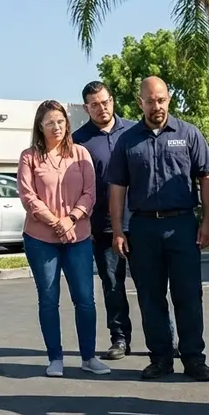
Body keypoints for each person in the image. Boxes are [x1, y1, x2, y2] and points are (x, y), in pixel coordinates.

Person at [107, 77, 209, 381]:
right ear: (139, 102)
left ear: (168, 99)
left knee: (188, 295)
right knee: (150, 296)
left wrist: (208, 222)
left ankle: (194, 358)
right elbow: (117, 188)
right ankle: (160, 358)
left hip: (182, 224)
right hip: (142, 228)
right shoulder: (127, 141)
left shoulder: (189, 134)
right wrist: (118, 230)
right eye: (150, 101)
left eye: (161, 100)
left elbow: (206, 179)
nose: (156, 106)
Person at [17, 101, 110, 377]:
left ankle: (88, 356)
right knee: (48, 298)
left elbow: (90, 193)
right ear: (40, 127)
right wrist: (55, 222)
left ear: (67, 124)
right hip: (40, 238)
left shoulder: (81, 154)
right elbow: (28, 196)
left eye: (60, 121)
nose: (56, 127)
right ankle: (55, 358)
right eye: (49, 123)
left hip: (78, 236)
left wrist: (70, 219)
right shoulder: (29, 157)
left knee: (85, 298)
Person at [72, 81, 137, 360]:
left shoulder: (135, 130)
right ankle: (120, 338)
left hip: (141, 221)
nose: (102, 108)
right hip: (104, 226)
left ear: (113, 100)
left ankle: (165, 340)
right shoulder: (78, 140)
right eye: (95, 104)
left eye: (106, 101)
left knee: (151, 284)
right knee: (112, 284)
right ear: (87, 107)